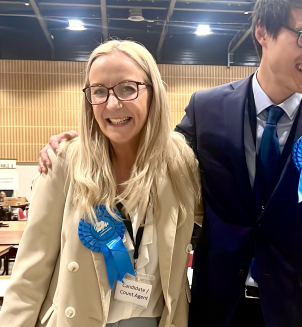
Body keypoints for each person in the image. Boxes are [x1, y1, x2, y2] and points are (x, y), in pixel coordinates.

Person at [38, 0, 302, 327]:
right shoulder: (206, 108)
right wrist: (85, 143)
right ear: (263, 32)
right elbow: (152, 157)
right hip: (214, 310)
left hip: (297, 311)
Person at [0, 40, 202, 327]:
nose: (112, 104)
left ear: (153, 93)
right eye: (99, 91)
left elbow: (225, 221)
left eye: (127, 88)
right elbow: (30, 274)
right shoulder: (65, 163)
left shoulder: (181, 164)